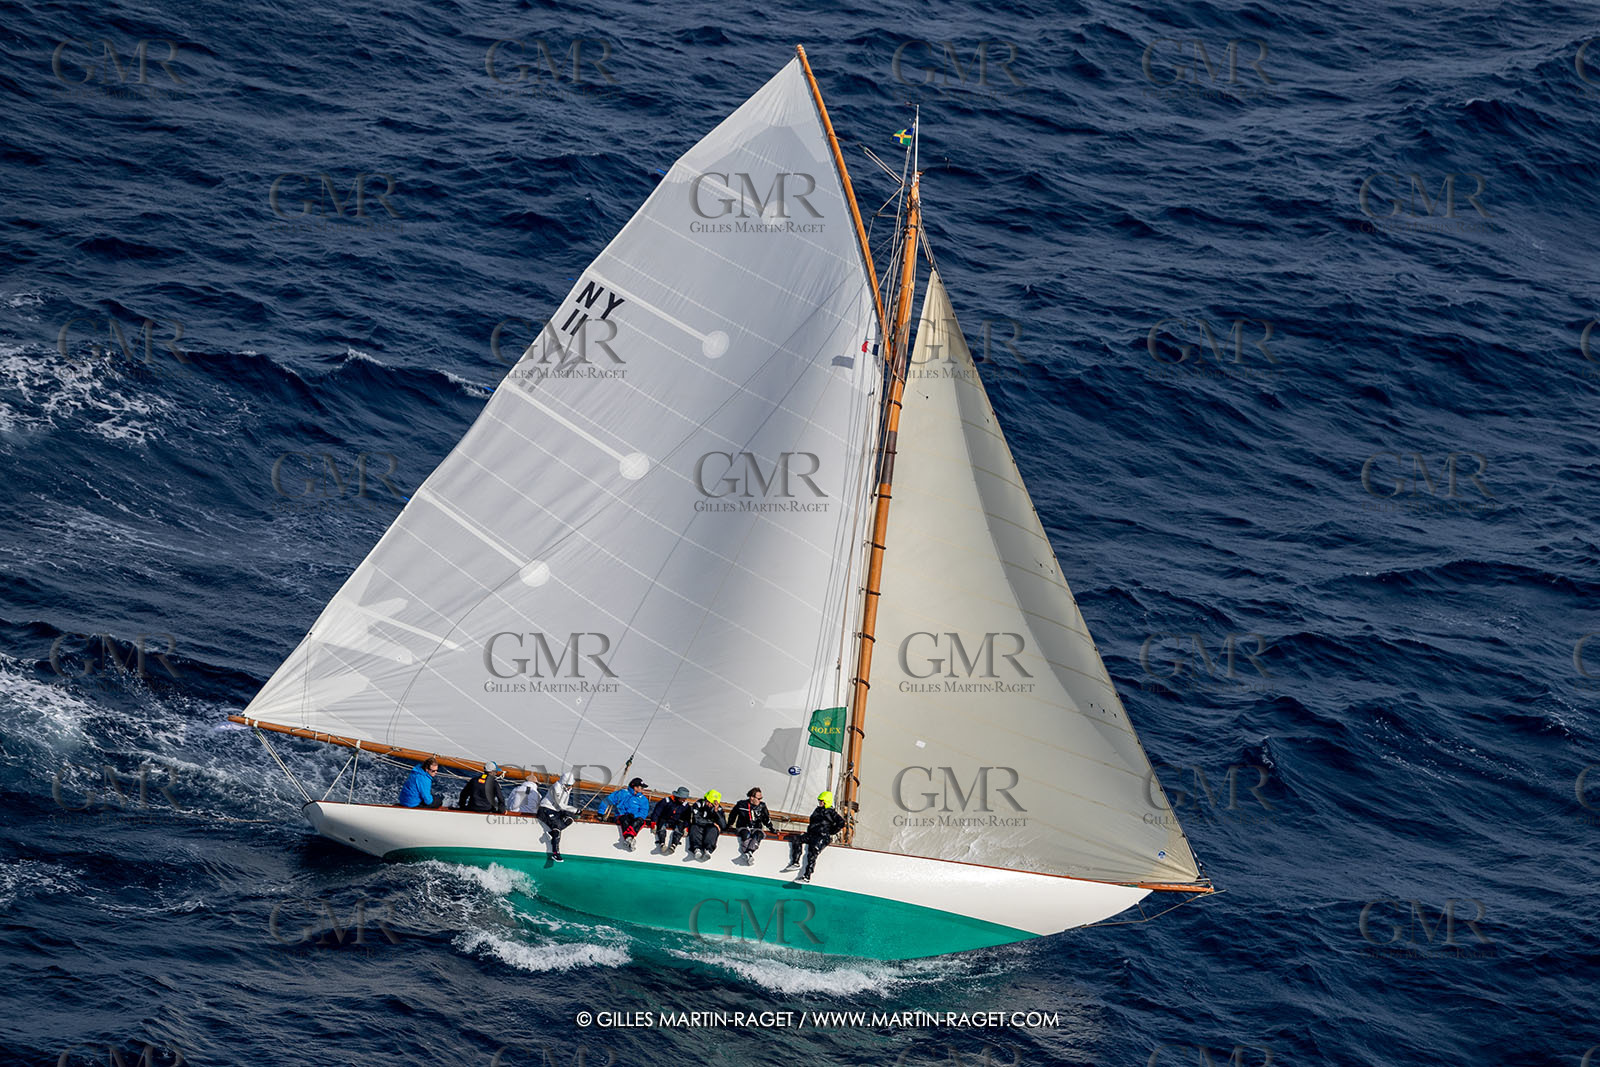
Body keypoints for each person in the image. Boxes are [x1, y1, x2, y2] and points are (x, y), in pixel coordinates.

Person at [784, 790, 847, 883]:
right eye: (819, 801)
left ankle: (807, 876)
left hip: (822, 837)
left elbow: (841, 823)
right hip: (811, 834)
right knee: (797, 839)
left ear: (827, 801)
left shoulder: (831, 812)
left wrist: (831, 831)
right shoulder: (817, 810)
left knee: (813, 852)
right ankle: (795, 862)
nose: (820, 803)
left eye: (822, 801)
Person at [598, 776, 652, 850]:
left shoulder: (643, 799)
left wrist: (634, 816)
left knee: (640, 821)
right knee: (625, 819)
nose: (643, 789)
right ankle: (629, 839)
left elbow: (644, 812)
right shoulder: (622, 793)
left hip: (635, 818)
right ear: (635, 787)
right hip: (621, 816)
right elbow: (607, 801)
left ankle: (629, 838)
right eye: (641, 787)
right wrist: (600, 813)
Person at [727, 787, 775, 864]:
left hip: (756, 828)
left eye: (761, 798)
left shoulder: (762, 806)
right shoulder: (741, 804)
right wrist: (729, 825)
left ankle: (748, 853)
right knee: (746, 834)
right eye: (758, 798)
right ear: (752, 797)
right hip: (743, 827)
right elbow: (733, 815)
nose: (760, 800)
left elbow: (766, 818)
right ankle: (749, 853)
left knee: (758, 834)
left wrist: (771, 828)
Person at [538, 770, 578, 862]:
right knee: (556, 828)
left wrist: (571, 812)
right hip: (545, 809)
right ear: (564, 783)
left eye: (571, 785)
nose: (570, 787)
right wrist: (576, 810)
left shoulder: (567, 788)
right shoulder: (556, 787)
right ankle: (555, 853)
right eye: (568, 785)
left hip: (556, 810)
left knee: (570, 819)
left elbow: (564, 804)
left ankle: (554, 832)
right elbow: (560, 804)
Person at [685, 789, 726, 860]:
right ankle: (696, 849)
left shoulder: (718, 809)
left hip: (709, 828)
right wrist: (712, 822)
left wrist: (717, 812)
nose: (710, 805)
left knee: (713, 829)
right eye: (709, 802)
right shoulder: (698, 804)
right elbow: (697, 819)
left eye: (712, 804)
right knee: (694, 827)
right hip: (699, 826)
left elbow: (723, 825)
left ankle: (708, 850)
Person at [649, 787, 692, 854]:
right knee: (661, 822)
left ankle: (674, 845)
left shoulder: (686, 806)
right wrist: (653, 823)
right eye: (682, 798)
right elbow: (657, 812)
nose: (684, 800)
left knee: (680, 824)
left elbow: (687, 818)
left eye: (685, 798)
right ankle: (662, 843)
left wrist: (686, 827)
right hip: (665, 819)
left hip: (676, 822)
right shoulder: (666, 801)